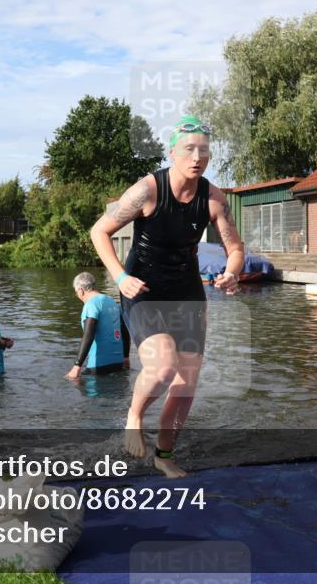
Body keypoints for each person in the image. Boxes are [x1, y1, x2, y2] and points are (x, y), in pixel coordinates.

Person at [90, 114, 244, 478]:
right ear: (172, 152)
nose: (197, 157)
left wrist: (232, 273)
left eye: (204, 151)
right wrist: (119, 276)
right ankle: (134, 415)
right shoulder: (147, 190)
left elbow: (235, 248)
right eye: (189, 149)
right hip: (142, 289)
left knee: (185, 384)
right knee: (162, 367)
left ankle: (164, 454)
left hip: (187, 293)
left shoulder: (213, 199)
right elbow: (99, 231)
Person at [67, 272, 130, 380]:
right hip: (118, 363)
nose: (77, 295)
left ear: (81, 291)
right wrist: (126, 357)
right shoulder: (112, 302)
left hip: (99, 366)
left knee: (70, 381)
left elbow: (89, 335)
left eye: (76, 292)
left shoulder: (91, 305)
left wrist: (77, 365)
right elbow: (124, 330)